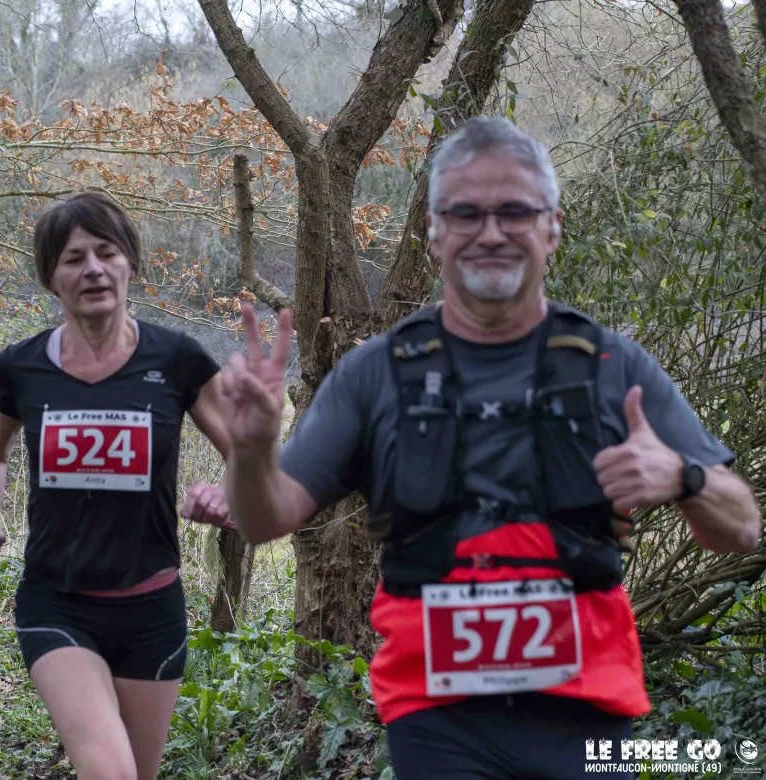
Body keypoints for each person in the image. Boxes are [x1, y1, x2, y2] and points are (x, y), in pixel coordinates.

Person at [220, 117, 761, 779]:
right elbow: (265, 518)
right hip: (436, 717)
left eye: (515, 212)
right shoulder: (375, 374)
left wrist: (685, 478)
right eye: (466, 214)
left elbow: (742, 527)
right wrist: (251, 449)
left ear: (552, 228)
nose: (492, 232)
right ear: (434, 232)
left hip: (588, 712)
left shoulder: (612, 367)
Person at [0, 191, 233, 780]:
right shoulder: (20, 367)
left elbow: (246, 452)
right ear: (51, 278)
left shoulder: (179, 360)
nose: (92, 269)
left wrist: (226, 494)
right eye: (73, 258)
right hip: (57, 601)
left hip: (152, 609)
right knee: (109, 771)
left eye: (106, 252)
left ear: (130, 263)